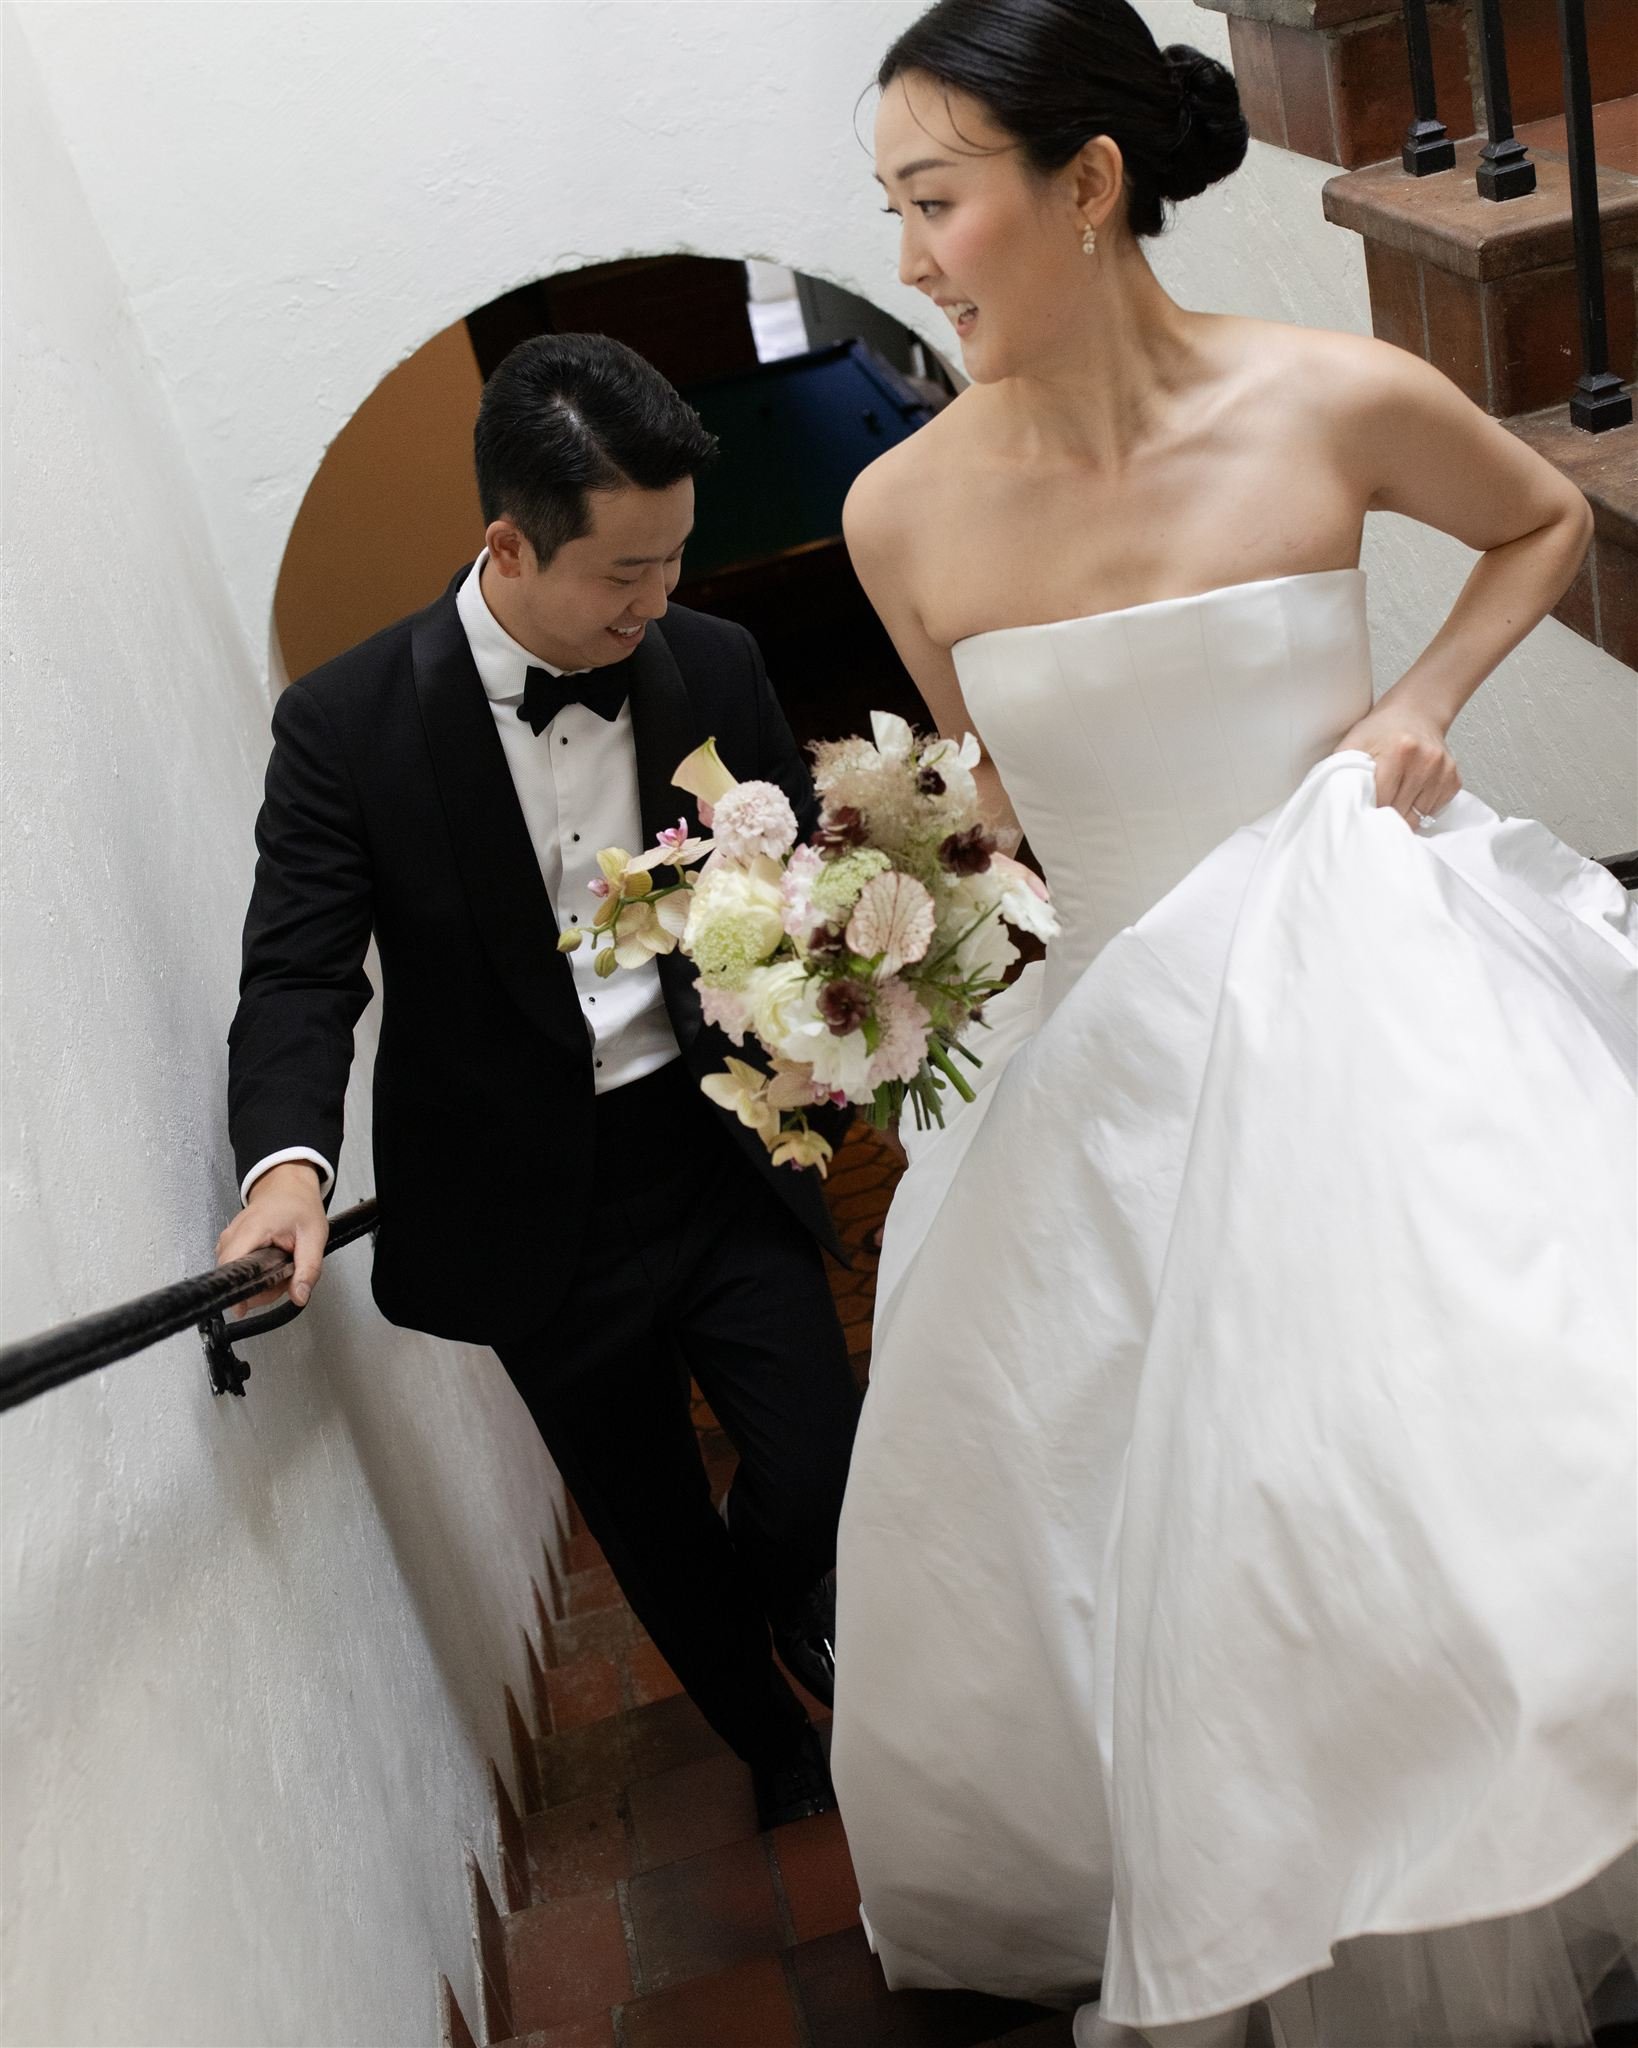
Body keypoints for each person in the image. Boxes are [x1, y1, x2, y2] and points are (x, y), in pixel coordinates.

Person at [827, 3, 1637, 2042]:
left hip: (1373, 1016)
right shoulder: (897, 517)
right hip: (1109, 1069)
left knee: (1445, 1467)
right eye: (895, 213)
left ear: (1084, 185)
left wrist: (1421, 699)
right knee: (1163, 1541)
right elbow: (990, 789)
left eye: (937, 202)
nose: (912, 259)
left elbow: (1547, 519)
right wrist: (875, 918)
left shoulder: (1336, 397)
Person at [217, 333, 859, 1827]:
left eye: (674, 562)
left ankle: (793, 1594)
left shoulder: (713, 662)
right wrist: (288, 1170)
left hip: (712, 1147)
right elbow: (302, 972)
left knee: (817, 1455)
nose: (658, 602)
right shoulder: (346, 727)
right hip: (527, 1215)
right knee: (645, 1521)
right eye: (622, 575)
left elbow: (791, 875)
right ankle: (777, 1750)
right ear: (505, 543)